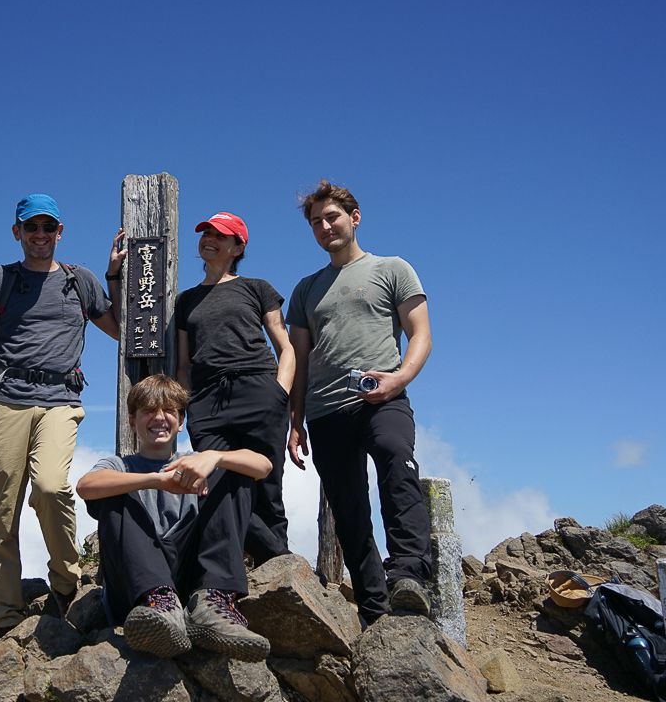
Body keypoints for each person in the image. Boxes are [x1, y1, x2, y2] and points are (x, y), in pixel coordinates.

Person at [0, 193, 122, 636]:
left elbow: (121, 329)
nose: (40, 235)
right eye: (31, 227)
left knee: (51, 487)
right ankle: (4, 614)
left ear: (60, 233)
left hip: (60, 399)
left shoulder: (79, 281)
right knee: (2, 510)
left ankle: (66, 584)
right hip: (4, 399)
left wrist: (113, 275)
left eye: (48, 227)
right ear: (17, 232)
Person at [286, 180, 435, 625]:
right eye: (315, 222)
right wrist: (295, 422)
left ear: (354, 217)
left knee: (395, 459)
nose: (324, 226)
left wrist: (399, 379)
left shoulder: (392, 268)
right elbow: (297, 358)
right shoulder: (306, 289)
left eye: (331, 217)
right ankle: (374, 608)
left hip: (382, 396)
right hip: (325, 410)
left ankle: (409, 574)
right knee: (348, 507)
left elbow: (421, 334)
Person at [77, 374, 272, 661]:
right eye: (148, 411)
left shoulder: (196, 462)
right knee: (114, 492)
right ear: (132, 420)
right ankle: (158, 606)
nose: (160, 417)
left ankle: (212, 601)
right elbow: (85, 486)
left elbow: (263, 466)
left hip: (187, 575)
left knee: (235, 473)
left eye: (169, 411)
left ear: (181, 422)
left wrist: (215, 458)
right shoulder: (119, 464)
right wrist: (155, 480)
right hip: (135, 588)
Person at [175, 211, 294, 563]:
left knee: (267, 488)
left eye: (220, 235)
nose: (209, 239)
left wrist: (279, 394)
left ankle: (279, 576)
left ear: (238, 246)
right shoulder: (186, 301)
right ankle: (273, 559)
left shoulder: (256, 288)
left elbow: (285, 347)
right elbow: (184, 363)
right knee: (216, 481)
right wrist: (188, 404)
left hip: (258, 388)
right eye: (206, 233)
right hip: (207, 398)